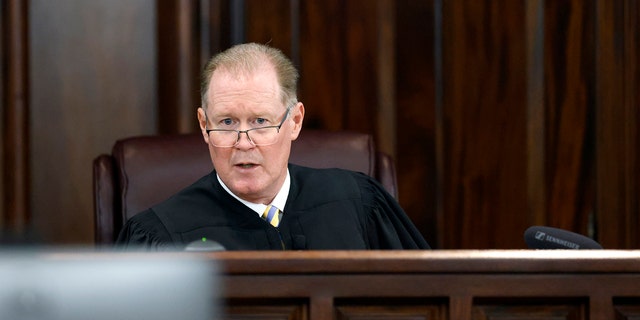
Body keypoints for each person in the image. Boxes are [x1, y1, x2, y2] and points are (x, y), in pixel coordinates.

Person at [116, 43, 430, 250]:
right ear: (203, 125)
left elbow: (426, 301)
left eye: (260, 122)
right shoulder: (158, 236)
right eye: (226, 123)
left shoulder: (358, 203)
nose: (243, 142)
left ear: (295, 121)